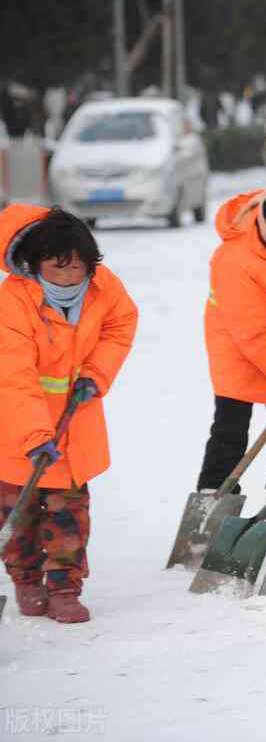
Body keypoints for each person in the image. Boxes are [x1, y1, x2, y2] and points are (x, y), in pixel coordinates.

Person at [0, 205, 138, 623]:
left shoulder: (103, 288)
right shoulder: (13, 303)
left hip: (75, 424)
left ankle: (64, 587)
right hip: (16, 428)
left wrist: (97, 373)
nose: (69, 277)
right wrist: (34, 436)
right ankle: (26, 580)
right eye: (58, 268)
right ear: (35, 264)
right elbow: (13, 377)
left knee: (68, 513)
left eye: (78, 267)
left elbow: (121, 325)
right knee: (18, 513)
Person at [196, 184, 266, 525]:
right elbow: (252, 331)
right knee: (230, 433)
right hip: (237, 348)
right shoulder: (233, 257)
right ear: (260, 221)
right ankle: (210, 519)